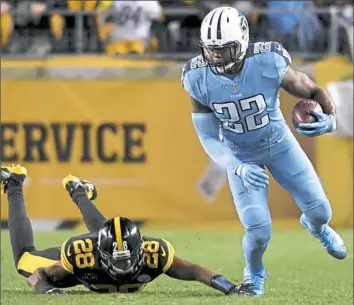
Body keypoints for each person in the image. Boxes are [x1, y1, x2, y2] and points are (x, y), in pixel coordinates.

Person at [181, 6, 347, 296]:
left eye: (225, 50)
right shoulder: (197, 78)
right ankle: (254, 273)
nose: (217, 57)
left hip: (279, 144)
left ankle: (316, 226)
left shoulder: (268, 61)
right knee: (258, 229)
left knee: (321, 210)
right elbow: (207, 136)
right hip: (240, 155)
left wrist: (331, 119)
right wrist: (236, 165)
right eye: (211, 50)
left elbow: (312, 90)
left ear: (243, 43)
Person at [0, 164, 253, 296]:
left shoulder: (156, 253)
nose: (122, 267)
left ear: (141, 250)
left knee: (104, 229)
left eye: (126, 259)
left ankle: (79, 190)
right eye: (117, 261)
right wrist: (48, 290)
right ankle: (15, 182)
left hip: (102, 246)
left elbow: (197, 271)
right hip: (87, 265)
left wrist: (229, 287)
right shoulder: (82, 255)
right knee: (24, 260)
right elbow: (37, 276)